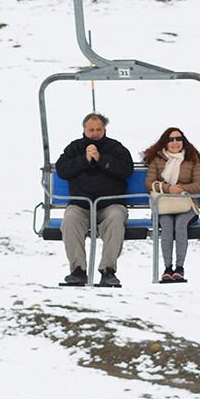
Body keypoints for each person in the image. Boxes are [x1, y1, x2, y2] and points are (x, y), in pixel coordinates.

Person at [55, 112, 135, 287]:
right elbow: (62, 170)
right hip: (81, 204)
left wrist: (101, 159)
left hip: (110, 204)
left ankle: (108, 271)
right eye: (91, 129)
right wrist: (84, 160)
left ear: (104, 129)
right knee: (70, 220)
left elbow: (126, 169)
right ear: (84, 130)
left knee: (115, 218)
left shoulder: (115, 148)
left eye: (98, 129)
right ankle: (78, 271)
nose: (95, 133)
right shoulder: (74, 148)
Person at [141, 127, 200, 283]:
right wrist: (168, 188)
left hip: (186, 204)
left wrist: (181, 189)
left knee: (181, 224)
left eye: (178, 139)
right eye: (171, 140)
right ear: (165, 142)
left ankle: (180, 268)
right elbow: (149, 183)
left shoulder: (192, 159)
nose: (175, 142)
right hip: (165, 204)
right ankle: (168, 268)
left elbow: (199, 184)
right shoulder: (157, 160)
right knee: (167, 226)